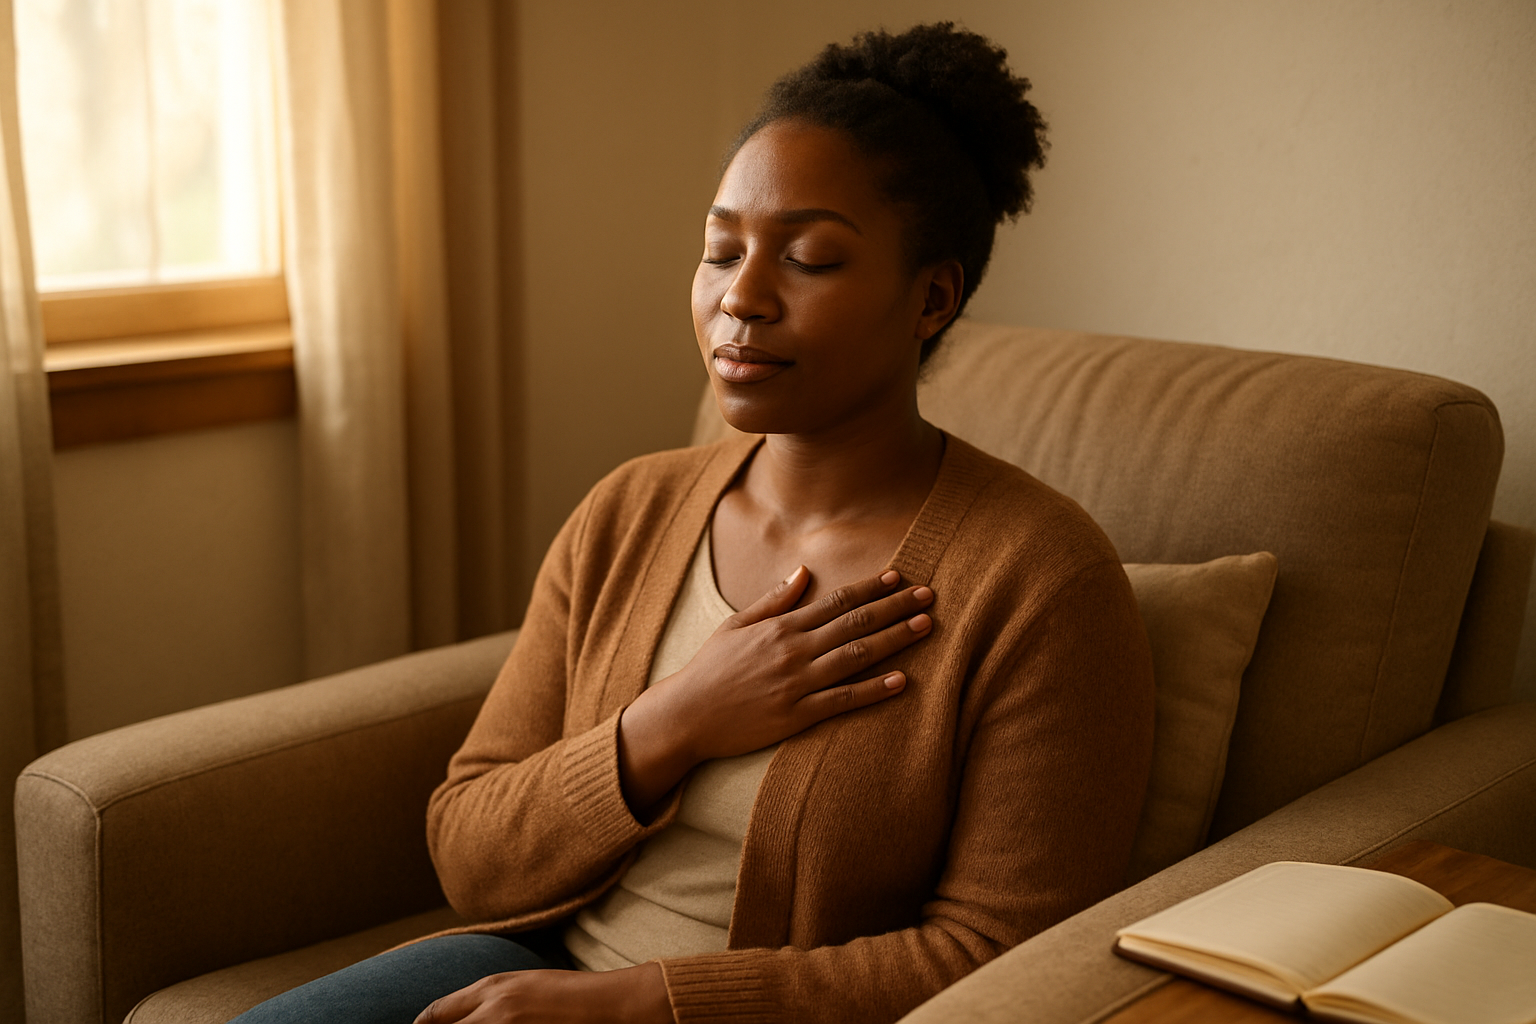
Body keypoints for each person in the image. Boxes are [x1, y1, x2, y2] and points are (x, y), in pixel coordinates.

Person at [232, 22, 1154, 1024]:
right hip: (525, 963)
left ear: (931, 296)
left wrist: (636, 1004)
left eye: (808, 258)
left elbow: (1008, 959)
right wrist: (676, 719)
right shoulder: (629, 509)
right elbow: (469, 850)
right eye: (720, 251)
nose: (740, 298)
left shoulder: (1041, 580)